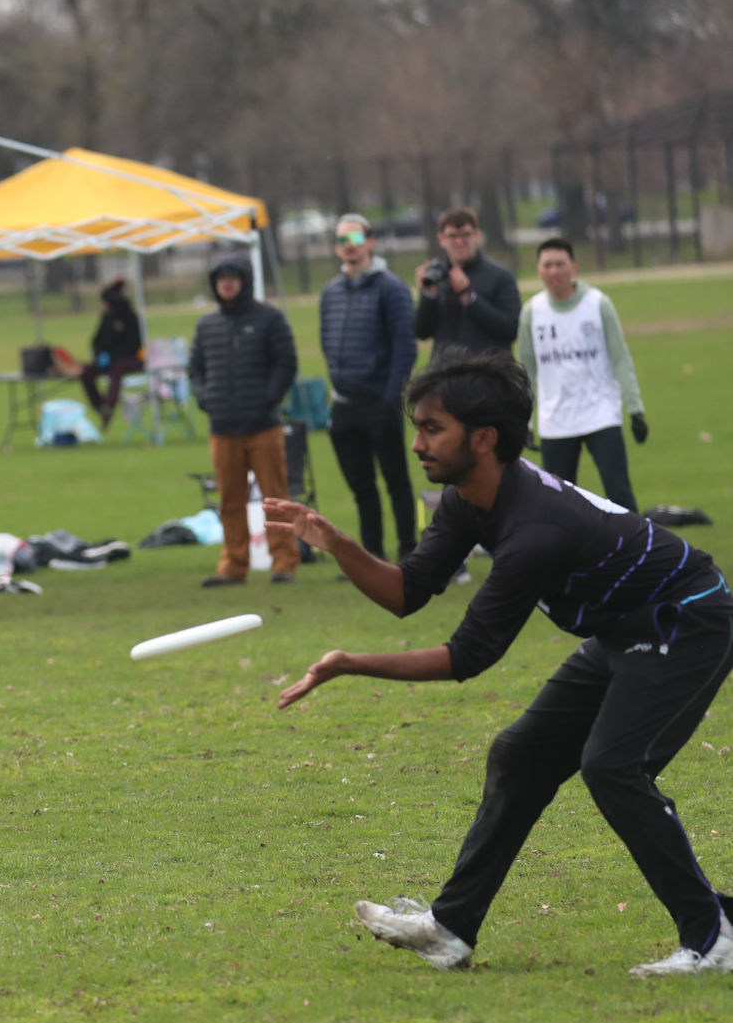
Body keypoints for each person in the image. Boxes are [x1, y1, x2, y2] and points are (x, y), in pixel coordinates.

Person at [266, 352, 733, 977]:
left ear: (483, 438)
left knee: (614, 767)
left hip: (686, 620)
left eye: (433, 428)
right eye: (417, 427)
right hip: (624, 627)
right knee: (521, 754)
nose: (417, 444)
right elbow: (407, 591)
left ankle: (712, 936)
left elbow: (468, 657)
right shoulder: (467, 499)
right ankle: (451, 929)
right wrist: (337, 542)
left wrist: (352, 663)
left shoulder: (535, 529)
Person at [188, 253, 299, 587]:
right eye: (221, 278)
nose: (227, 283)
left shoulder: (270, 318)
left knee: (275, 497)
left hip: (263, 426)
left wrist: (269, 397)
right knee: (229, 501)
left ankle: (284, 562)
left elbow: (286, 363)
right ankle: (233, 565)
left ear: (245, 281)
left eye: (233, 277)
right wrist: (205, 398)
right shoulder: (206, 325)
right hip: (223, 428)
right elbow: (195, 369)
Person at [517, 236, 645, 513]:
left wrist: (635, 409)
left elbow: (620, 358)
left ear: (573, 268)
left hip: (601, 415)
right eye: (547, 265)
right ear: (539, 270)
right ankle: (565, 545)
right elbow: (525, 371)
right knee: (556, 501)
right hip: (556, 421)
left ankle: (635, 542)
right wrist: (525, 421)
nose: (553, 271)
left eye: (559, 264)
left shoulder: (598, 305)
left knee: (619, 492)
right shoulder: (531, 312)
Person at [319, 214, 419, 561]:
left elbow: (405, 347)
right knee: (361, 486)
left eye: (356, 238)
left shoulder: (391, 288)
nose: (349, 245)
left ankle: (408, 551)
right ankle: (371, 555)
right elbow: (326, 340)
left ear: (370, 242)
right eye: (342, 240)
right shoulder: (331, 292)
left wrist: (391, 399)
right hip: (344, 403)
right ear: (336, 248)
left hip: (380, 401)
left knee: (396, 481)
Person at [413, 207, 521, 361]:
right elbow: (422, 332)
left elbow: (511, 329)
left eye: (465, 235)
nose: (459, 241)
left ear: (477, 235)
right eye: (452, 236)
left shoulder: (501, 276)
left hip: (489, 370)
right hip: (444, 371)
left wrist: (470, 298)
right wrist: (428, 295)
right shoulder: (436, 277)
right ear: (441, 239)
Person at [78, 279, 145, 428]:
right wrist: (100, 354)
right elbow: (97, 340)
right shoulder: (107, 317)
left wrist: (113, 354)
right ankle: (100, 407)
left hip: (129, 359)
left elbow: (135, 344)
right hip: (108, 359)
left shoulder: (129, 317)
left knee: (117, 368)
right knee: (86, 372)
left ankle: (109, 405)